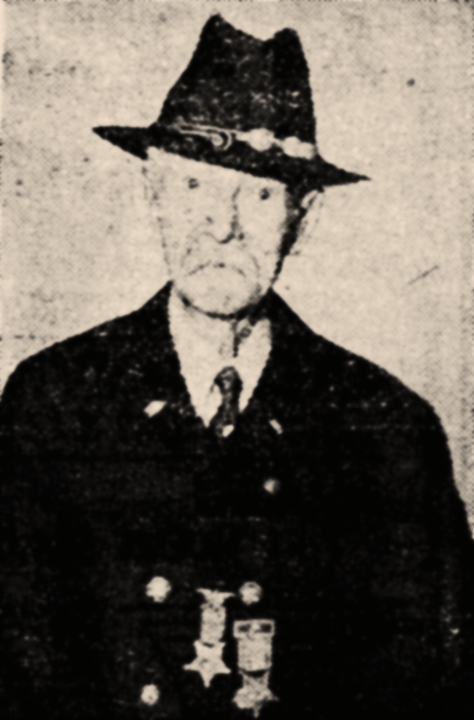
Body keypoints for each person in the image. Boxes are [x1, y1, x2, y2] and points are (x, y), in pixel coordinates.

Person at [1, 13, 473, 720]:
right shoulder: (56, 400)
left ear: (303, 217)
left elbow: (435, 682)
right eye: (194, 187)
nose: (221, 226)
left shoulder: (386, 426)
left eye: (257, 194)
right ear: (154, 195)